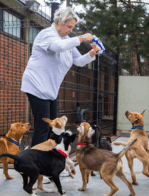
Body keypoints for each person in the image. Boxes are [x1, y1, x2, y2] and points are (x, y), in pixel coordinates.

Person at [21, 7, 99, 147]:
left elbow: (78, 61)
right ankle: (34, 163)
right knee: (43, 127)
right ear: (59, 21)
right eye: (69, 26)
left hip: (51, 89)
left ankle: (47, 158)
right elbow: (58, 46)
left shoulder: (66, 39)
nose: (70, 30)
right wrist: (81, 38)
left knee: (55, 128)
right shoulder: (47, 35)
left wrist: (91, 54)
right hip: (36, 86)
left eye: (73, 27)